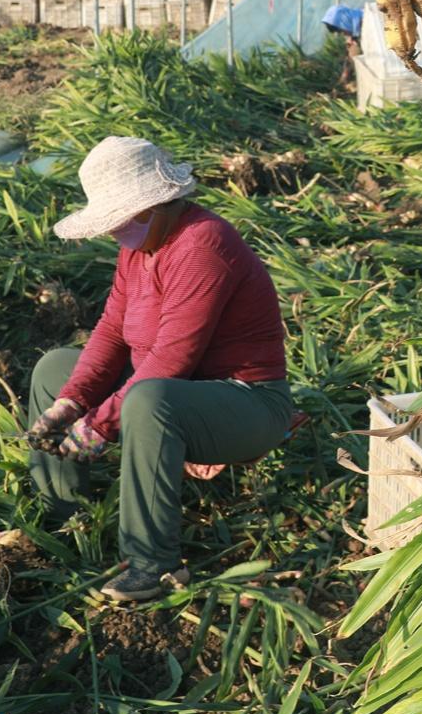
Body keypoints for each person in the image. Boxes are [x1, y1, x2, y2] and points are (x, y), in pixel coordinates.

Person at [23, 136, 292, 602]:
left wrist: (100, 425)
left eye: (120, 217)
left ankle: (151, 564)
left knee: (149, 399)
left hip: (243, 402)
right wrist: (71, 401)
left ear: (157, 203)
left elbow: (172, 358)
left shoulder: (203, 243)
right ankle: (65, 518)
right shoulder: (140, 246)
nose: (114, 231)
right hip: (174, 388)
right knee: (53, 369)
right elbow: (111, 330)